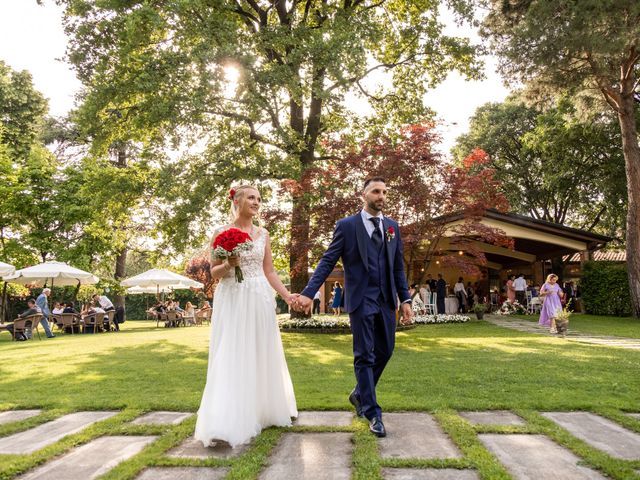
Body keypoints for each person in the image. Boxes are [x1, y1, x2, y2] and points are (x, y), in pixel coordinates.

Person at [292, 177, 412, 438]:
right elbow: (327, 261)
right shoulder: (347, 226)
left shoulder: (392, 227)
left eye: (384, 191)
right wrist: (308, 293)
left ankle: (359, 393)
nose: (381, 196)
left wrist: (405, 299)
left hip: (386, 299)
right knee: (364, 355)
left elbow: (398, 267)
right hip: (360, 299)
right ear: (364, 195)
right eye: (376, 191)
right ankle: (372, 411)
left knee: (386, 350)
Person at [195, 184, 297, 448]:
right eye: (251, 197)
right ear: (237, 201)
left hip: (260, 297)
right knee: (231, 351)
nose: (256, 202)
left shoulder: (263, 234)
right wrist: (230, 263)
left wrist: (287, 296)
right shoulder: (220, 233)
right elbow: (214, 273)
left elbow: (270, 271)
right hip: (232, 297)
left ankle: (263, 411)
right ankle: (227, 416)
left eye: (259, 199)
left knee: (261, 351)